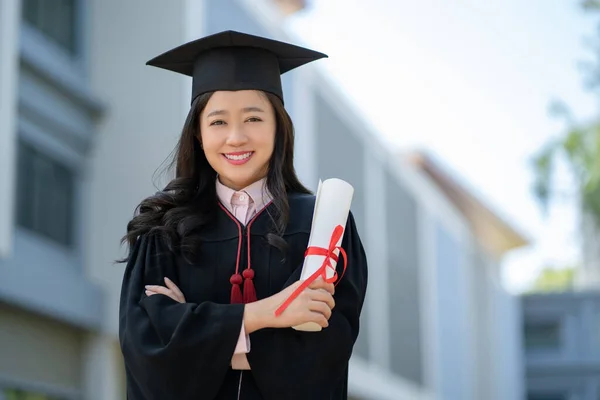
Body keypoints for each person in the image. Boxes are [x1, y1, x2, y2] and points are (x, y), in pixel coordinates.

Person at [118, 30, 368, 400]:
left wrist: (194, 332)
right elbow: (148, 351)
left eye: (253, 119)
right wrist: (268, 314)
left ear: (278, 127)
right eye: (218, 122)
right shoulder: (162, 229)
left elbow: (321, 357)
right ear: (198, 135)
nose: (235, 137)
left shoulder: (323, 224)